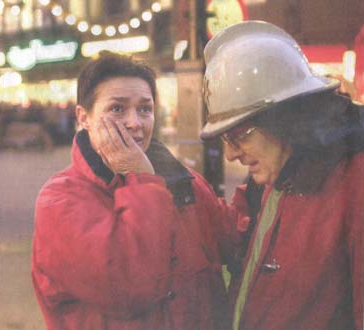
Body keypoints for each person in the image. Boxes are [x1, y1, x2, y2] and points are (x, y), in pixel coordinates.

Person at [31, 52, 239, 329]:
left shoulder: (182, 180)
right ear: (84, 117)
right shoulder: (60, 200)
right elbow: (129, 286)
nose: (135, 122)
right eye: (117, 109)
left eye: (145, 109)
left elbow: (232, 235)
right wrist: (141, 178)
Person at [200, 21, 364, 330]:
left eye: (239, 135)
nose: (231, 154)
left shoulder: (355, 184)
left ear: (284, 119)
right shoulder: (276, 178)